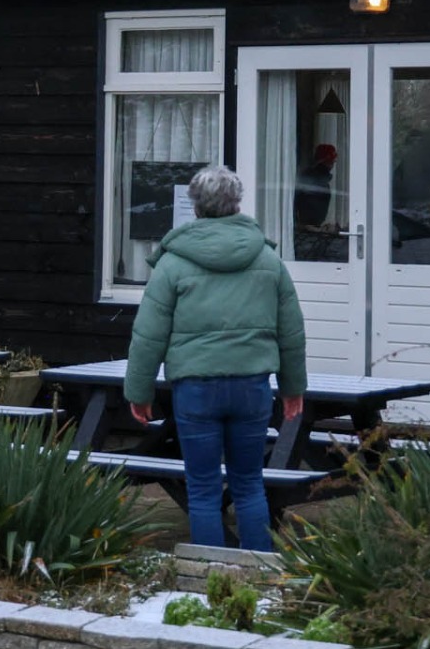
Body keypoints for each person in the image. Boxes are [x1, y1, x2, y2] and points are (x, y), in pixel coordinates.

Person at [124, 165, 307, 550]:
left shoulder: (172, 263)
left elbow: (148, 335)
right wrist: (293, 388)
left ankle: (210, 574)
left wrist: (139, 391)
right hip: (251, 386)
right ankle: (259, 574)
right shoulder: (267, 259)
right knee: (249, 484)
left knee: (203, 488)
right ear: (237, 202)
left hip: (196, 388)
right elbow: (291, 331)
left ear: (195, 206)